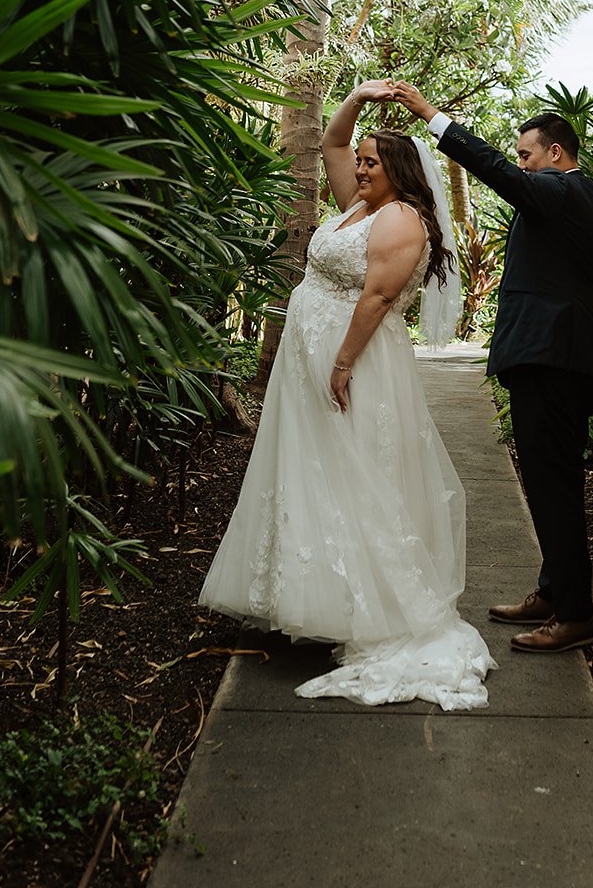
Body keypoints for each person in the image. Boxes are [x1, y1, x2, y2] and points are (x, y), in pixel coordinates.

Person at [198, 80, 494, 709]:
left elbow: (378, 298)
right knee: (314, 470)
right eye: (359, 161)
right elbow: (330, 141)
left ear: (398, 171)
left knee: (356, 470)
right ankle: (312, 594)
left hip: (352, 356)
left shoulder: (401, 218)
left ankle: (369, 603)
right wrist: (358, 96)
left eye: (371, 161)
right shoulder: (359, 204)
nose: (358, 167)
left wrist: (341, 362)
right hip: (313, 353)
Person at [391, 83, 593, 655]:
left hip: (555, 364)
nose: (521, 165)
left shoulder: (569, 191)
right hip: (546, 361)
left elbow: (497, 172)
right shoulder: (562, 197)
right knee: (544, 483)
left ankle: (576, 616)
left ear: (555, 155)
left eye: (527, 155)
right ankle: (552, 590)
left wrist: (432, 117)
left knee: (554, 486)